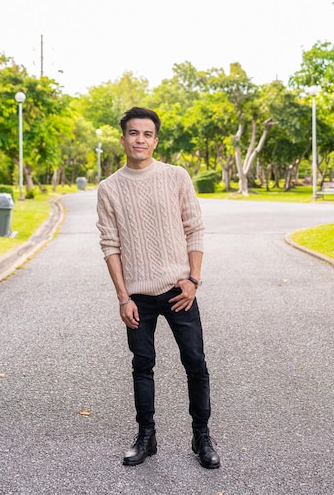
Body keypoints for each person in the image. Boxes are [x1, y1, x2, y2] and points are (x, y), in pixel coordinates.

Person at [96, 106, 220, 470]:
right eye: (134, 133)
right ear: (123, 139)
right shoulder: (109, 188)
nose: (140, 140)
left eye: (147, 134)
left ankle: (202, 436)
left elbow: (194, 228)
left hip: (180, 291)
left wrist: (193, 279)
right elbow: (110, 245)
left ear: (156, 140)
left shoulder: (176, 176)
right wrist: (123, 297)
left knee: (195, 362)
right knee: (142, 365)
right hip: (138, 297)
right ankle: (146, 438)